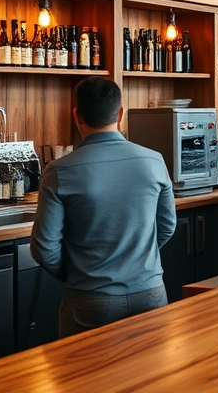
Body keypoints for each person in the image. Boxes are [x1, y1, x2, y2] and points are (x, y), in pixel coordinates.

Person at [30, 78, 176, 338]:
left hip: (90, 299)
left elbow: (43, 247)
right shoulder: (154, 161)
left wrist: (76, 274)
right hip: (151, 292)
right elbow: (167, 226)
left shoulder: (59, 171)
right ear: (120, 113)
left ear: (77, 115)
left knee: (83, 377)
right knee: (152, 376)